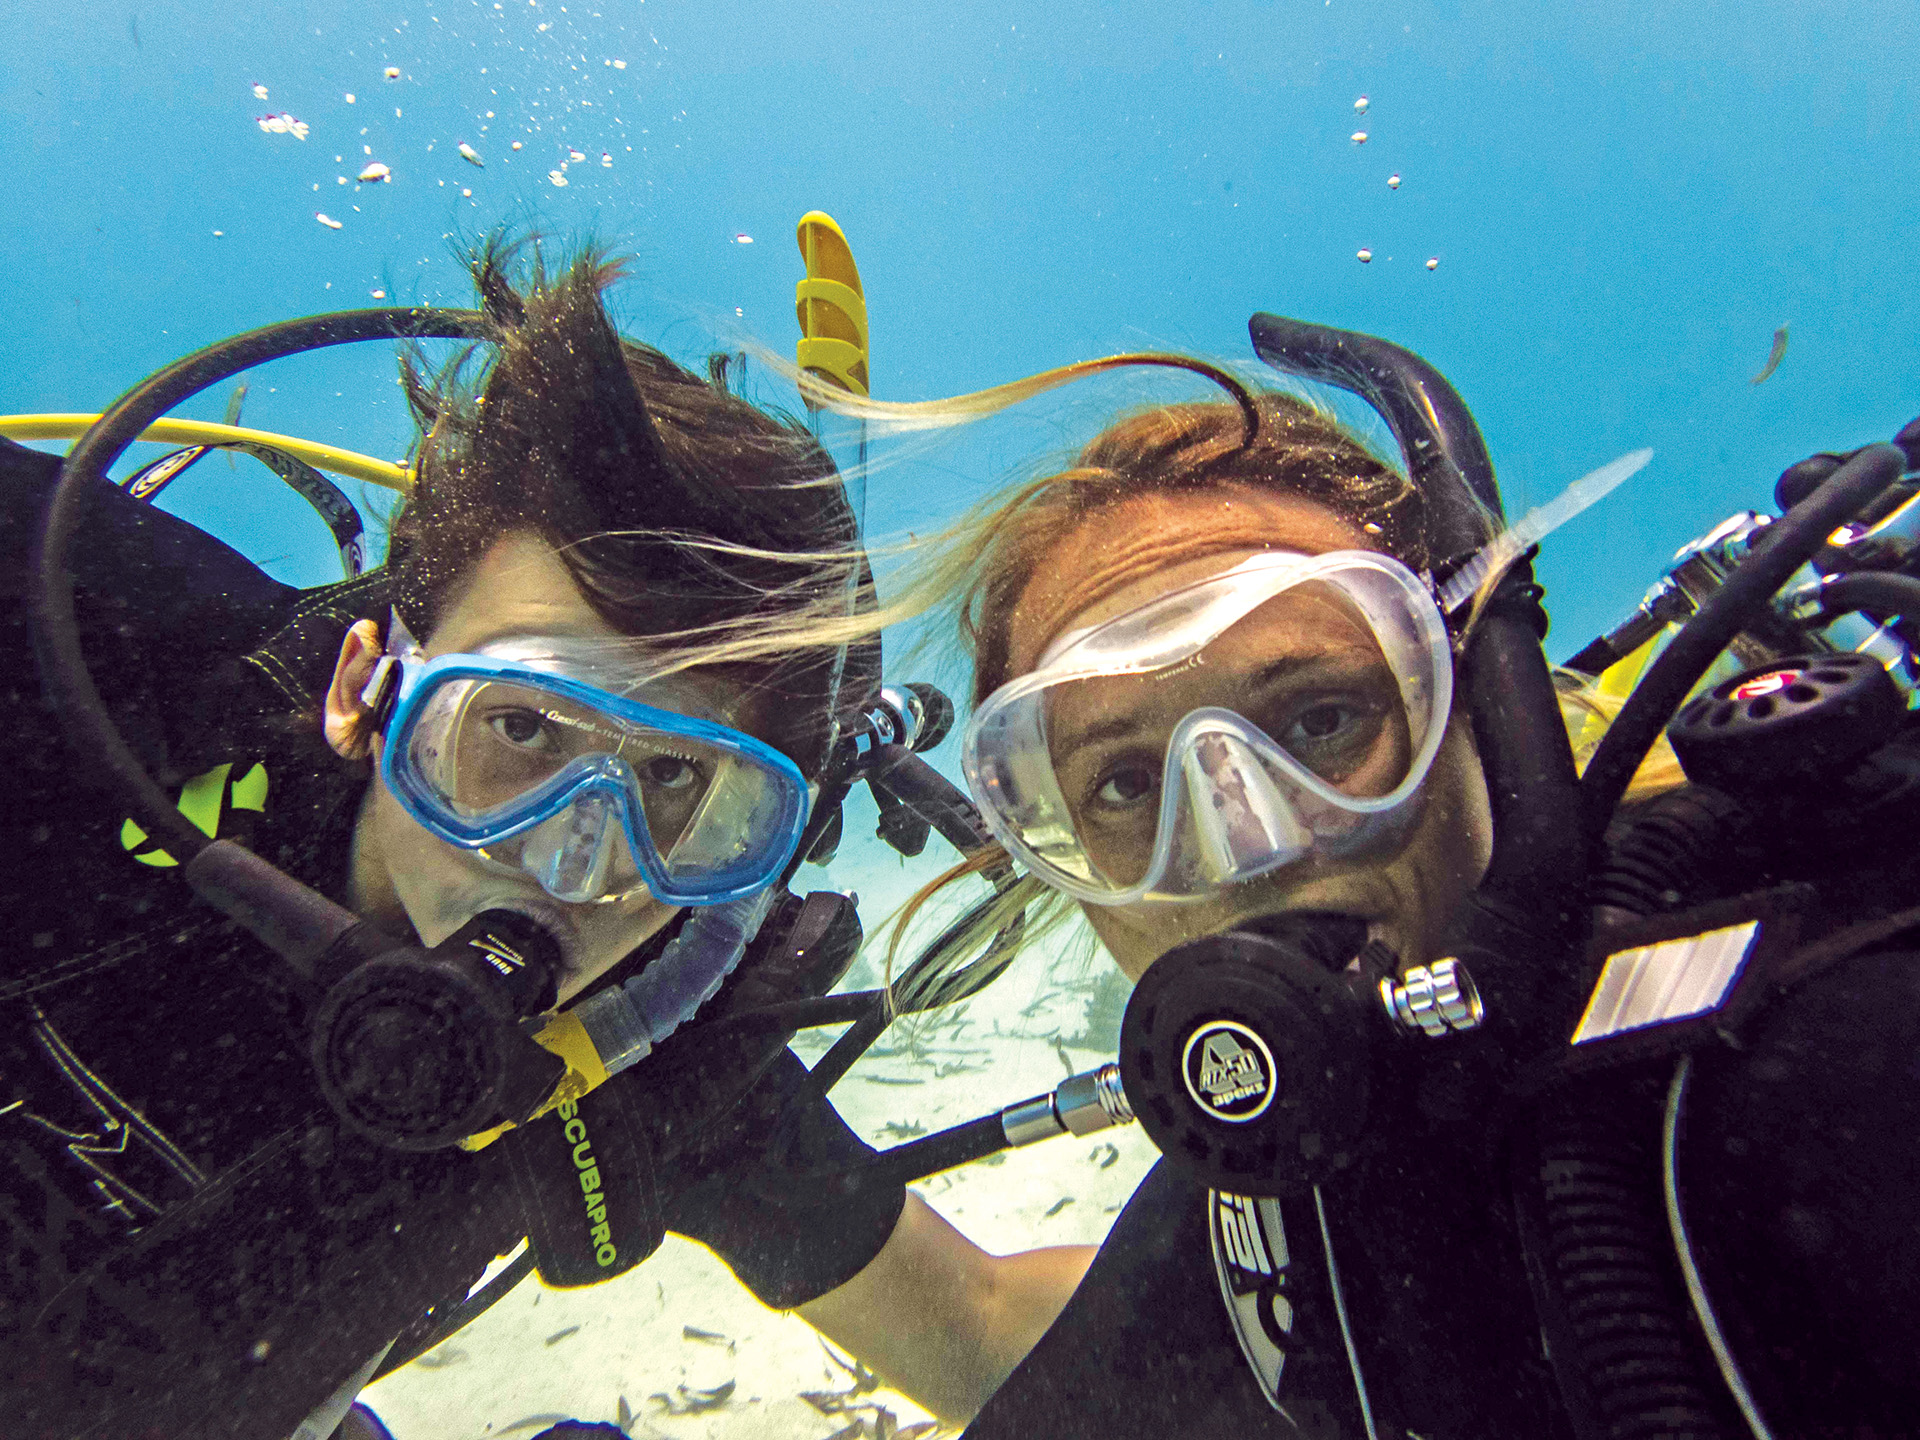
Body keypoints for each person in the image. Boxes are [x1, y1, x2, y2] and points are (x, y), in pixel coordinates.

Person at [1, 239, 1089, 1440]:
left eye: (680, 782)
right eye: (518, 728)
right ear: (369, 691)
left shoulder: (650, 1059)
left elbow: (979, 1325)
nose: (578, 862)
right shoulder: (105, 675)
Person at [836, 316, 1920, 1437]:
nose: (1248, 845)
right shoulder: (1283, 1169)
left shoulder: (1823, 1053)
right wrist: (763, 1163)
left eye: (1320, 718)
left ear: (1488, 720)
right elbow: (1044, 1358)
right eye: (1122, 787)